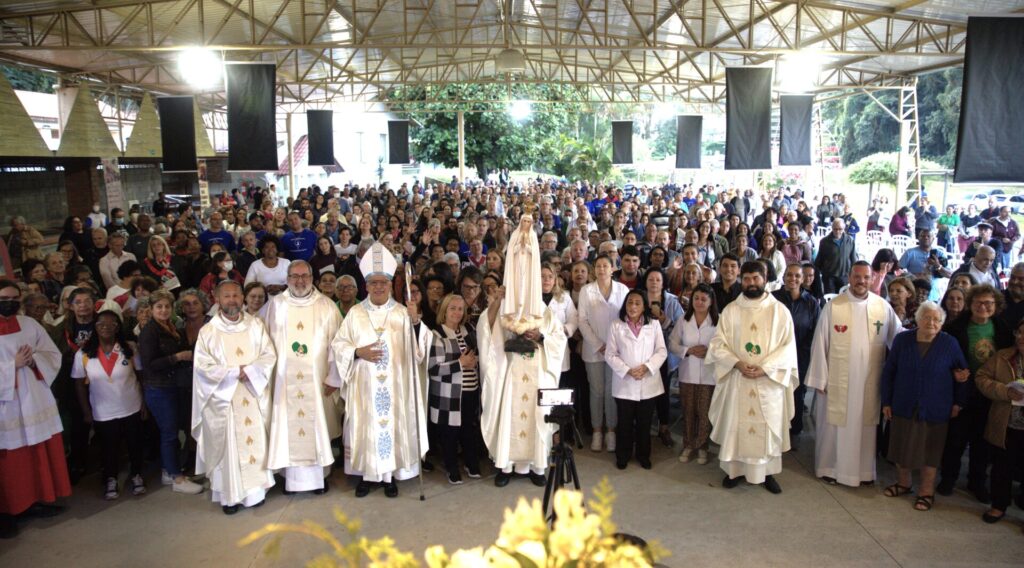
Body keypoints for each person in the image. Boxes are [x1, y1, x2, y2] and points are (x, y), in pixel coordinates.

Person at [329, 243, 429, 497]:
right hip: (364, 386)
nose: (378, 287)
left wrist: (415, 321)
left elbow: (420, 350)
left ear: (389, 283)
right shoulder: (355, 313)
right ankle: (367, 476)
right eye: (373, 283)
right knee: (365, 428)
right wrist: (356, 352)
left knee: (390, 426)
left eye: (383, 282)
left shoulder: (402, 313)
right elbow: (339, 344)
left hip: (394, 385)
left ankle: (388, 478)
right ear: (366, 286)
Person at [807, 261, 902, 487]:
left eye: (866, 277)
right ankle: (829, 467)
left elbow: (899, 339)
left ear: (872, 279)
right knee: (834, 425)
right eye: (857, 277)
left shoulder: (882, 307)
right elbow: (820, 343)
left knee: (865, 427)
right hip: (837, 381)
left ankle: (862, 472)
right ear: (849, 278)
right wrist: (820, 378)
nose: (861, 281)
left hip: (869, 381)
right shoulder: (834, 306)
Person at [706, 261, 798, 494]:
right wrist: (736, 363)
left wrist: (766, 367)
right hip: (738, 378)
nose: (751, 283)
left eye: (756, 278)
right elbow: (717, 344)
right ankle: (734, 471)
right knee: (737, 425)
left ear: (765, 279)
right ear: (741, 280)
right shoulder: (731, 311)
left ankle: (766, 474)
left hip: (768, 382)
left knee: (767, 427)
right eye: (746, 279)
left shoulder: (779, 311)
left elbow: (788, 348)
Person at [477, 253, 567, 487]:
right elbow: (488, 329)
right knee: (510, 414)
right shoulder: (510, 304)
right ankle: (506, 466)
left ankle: (536, 467)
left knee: (537, 416)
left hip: (538, 370)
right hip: (513, 370)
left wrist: (541, 336)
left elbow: (559, 339)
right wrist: (497, 301)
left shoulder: (544, 310)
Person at [192, 280, 277, 514]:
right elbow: (201, 366)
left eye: (236, 296)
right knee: (228, 447)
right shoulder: (208, 332)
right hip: (224, 400)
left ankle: (255, 493)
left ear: (242, 298)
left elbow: (268, 355)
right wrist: (231, 373)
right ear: (217, 299)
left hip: (251, 392)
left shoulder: (255, 325)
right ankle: (229, 497)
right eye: (227, 296)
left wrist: (249, 371)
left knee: (255, 442)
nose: (232, 300)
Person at [264, 260, 343, 495]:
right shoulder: (275, 306)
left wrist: (334, 377)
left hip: (318, 381)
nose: (300, 281)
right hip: (284, 383)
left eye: (304, 276)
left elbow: (338, 345)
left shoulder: (327, 306)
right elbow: (264, 344)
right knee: (288, 427)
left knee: (317, 425)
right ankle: (291, 479)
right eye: (294, 276)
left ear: (312, 278)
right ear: (287, 279)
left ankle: (320, 477)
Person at [881, 302, 968, 512]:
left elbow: (962, 374)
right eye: (927, 318)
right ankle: (904, 484)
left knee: (932, 450)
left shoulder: (950, 343)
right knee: (901, 445)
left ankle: (926, 492)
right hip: (903, 402)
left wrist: (958, 402)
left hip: (936, 405)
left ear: (942, 323)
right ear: (918, 320)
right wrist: (886, 401)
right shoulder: (903, 340)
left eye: (937, 319)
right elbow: (889, 372)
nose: (932, 323)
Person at [0, 279, 69, 538]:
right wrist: (12, 365)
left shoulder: (29, 324)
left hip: (33, 399)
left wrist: (32, 361)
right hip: (5, 405)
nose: (8, 304)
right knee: (11, 460)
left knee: (35, 452)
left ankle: (35, 499)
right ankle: (10, 508)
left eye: (13, 299)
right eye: (3, 299)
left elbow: (52, 355)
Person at [938, 284, 1014, 501]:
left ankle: (976, 482)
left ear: (996, 306)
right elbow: (945, 357)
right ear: (970, 304)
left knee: (983, 442)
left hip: (989, 393)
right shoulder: (956, 328)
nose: (983, 306)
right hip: (963, 391)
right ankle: (948, 478)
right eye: (979, 302)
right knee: (955, 439)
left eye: (989, 303)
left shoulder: (1002, 329)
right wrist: (954, 372)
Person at [72, 304, 146, 500]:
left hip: (131, 405)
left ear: (117, 327)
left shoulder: (129, 348)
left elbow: (141, 377)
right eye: (101, 324)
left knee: (134, 444)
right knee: (109, 447)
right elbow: (79, 385)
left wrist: (145, 404)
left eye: (110, 324)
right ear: (95, 327)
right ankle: (110, 478)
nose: (105, 327)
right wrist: (86, 412)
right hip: (103, 410)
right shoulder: (84, 354)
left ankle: (137, 474)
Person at [137, 290, 204, 495]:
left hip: (172, 385)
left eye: (167, 306)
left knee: (172, 432)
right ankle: (177, 477)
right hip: (159, 388)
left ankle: (169, 470)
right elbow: (149, 364)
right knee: (169, 433)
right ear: (151, 309)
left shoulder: (170, 326)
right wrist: (177, 357)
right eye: (159, 307)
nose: (164, 310)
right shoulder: (150, 331)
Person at [605, 289, 668, 470]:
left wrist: (647, 368)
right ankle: (622, 455)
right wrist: (627, 370)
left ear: (644, 307)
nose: (633, 306)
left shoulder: (654, 324)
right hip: (625, 381)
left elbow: (661, 351)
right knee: (624, 422)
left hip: (648, 381)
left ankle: (643, 455)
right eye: (630, 302)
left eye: (637, 303)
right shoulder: (616, 325)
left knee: (644, 422)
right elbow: (610, 354)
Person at [426, 294, 481, 485]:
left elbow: (477, 355)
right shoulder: (436, 334)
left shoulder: (469, 330)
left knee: (468, 429)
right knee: (449, 433)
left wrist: (474, 362)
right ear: (444, 311)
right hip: (448, 394)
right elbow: (433, 369)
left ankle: (470, 463)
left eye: (460, 309)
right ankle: (451, 468)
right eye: (453, 308)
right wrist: (460, 363)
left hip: (470, 389)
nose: (457, 312)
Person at [577, 255, 629, 452]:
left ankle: (611, 431)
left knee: (611, 391)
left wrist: (613, 346)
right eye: (598, 266)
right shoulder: (586, 291)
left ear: (613, 268)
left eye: (605, 266)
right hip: (594, 349)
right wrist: (598, 344)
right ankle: (597, 431)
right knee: (597, 391)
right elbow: (582, 320)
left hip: (616, 350)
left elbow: (626, 318)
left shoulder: (622, 290)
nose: (601, 269)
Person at [974, 318, 1024, 523]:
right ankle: (998, 505)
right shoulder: (1003, 356)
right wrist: (1005, 391)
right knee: (1002, 467)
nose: (1021, 337)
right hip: (1006, 424)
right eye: (1019, 332)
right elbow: (981, 377)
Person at [668, 283, 718, 464]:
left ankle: (703, 446)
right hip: (687, 373)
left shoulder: (718, 321)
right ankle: (688, 445)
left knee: (704, 412)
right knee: (688, 410)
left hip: (709, 375)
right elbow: (672, 343)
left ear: (711, 301)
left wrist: (709, 352)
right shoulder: (683, 320)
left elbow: (724, 347)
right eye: (696, 298)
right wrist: (688, 350)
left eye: (704, 299)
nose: (699, 302)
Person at [772, 264, 822, 438]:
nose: (793, 279)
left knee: (797, 393)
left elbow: (816, 331)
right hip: (775, 356)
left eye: (797, 276)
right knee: (775, 393)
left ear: (803, 279)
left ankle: (794, 431)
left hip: (800, 355)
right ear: (784, 276)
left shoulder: (811, 302)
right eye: (789, 275)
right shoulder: (773, 299)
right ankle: (774, 428)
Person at [815, 219, 857, 294]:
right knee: (831, 300)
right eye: (835, 229)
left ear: (844, 228)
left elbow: (853, 259)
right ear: (832, 228)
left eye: (840, 229)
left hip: (844, 276)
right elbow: (819, 260)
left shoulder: (850, 240)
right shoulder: (824, 241)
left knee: (843, 300)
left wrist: (853, 275)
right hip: (829, 277)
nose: (837, 231)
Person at [988, 206, 1020, 271]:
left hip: (1008, 249)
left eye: (1009, 212)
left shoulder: (1013, 223)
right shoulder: (993, 222)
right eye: (1005, 212)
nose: (1008, 214)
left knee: (1006, 268)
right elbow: (989, 236)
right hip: (996, 249)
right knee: (997, 268)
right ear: (1000, 212)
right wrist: (1001, 239)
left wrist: (1011, 240)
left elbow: (1018, 234)